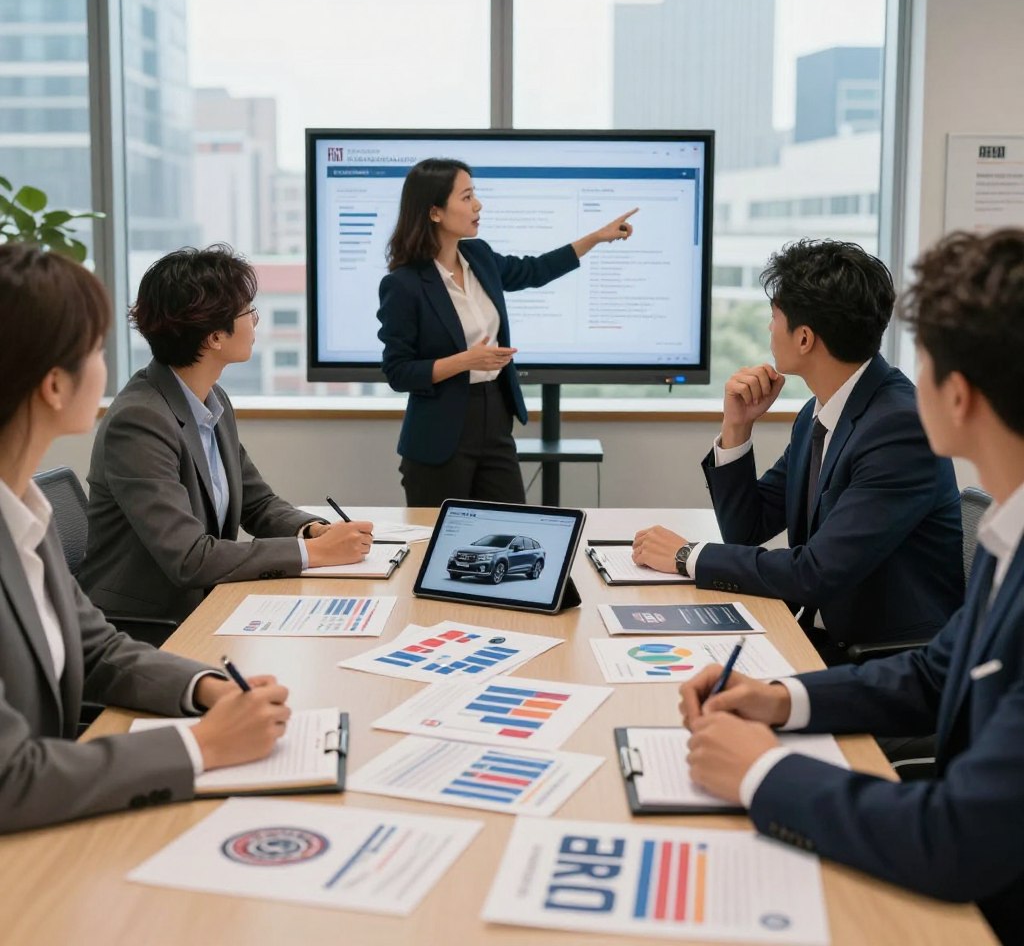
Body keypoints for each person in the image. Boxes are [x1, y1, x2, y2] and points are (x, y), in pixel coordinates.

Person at [680, 228, 1024, 944]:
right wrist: (780, 699)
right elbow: (938, 670)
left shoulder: (891, 420)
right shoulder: (1006, 539)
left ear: (955, 395)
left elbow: (957, 836)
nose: (904, 371)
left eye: (922, 359)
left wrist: (763, 776)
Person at [0, 243, 292, 834]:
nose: (112, 370)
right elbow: (11, 778)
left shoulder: (23, 514)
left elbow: (97, 648)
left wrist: (207, 688)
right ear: (56, 385)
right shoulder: (140, 415)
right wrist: (202, 747)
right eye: (98, 350)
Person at [632, 239, 962, 663]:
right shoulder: (820, 412)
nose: (769, 329)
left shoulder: (900, 429)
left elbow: (814, 574)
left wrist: (686, 556)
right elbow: (747, 530)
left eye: (774, 317)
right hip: (820, 638)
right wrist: (737, 425)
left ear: (804, 338)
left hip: (886, 664)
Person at [79, 245, 372, 628]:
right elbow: (188, 558)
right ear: (215, 337)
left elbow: (258, 504)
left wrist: (312, 530)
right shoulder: (139, 422)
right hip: (144, 626)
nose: (256, 321)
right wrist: (311, 553)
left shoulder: (211, 399)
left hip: (207, 604)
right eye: (249, 311)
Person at [377, 158, 636, 506]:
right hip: (439, 434)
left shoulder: (479, 256)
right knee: (442, 545)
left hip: (495, 417)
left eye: (475, 195)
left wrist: (595, 238)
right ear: (435, 211)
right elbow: (398, 372)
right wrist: (465, 361)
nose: (478, 205)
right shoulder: (404, 284)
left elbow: (534, 270)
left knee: (511, 532)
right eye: (467, 197)